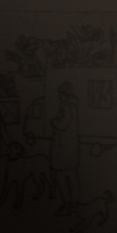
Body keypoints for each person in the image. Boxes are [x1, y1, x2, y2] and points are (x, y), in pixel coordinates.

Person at [49, 81, 81, 216]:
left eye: (61, 94)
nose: (59, 97)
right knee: (71, 177)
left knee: (62, 177)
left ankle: (69, 204)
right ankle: (72, 204)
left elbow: (63, 125)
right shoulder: (72, 106)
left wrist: (53, 121)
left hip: (64, 149)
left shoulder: (67, 108)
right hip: (68, 148)